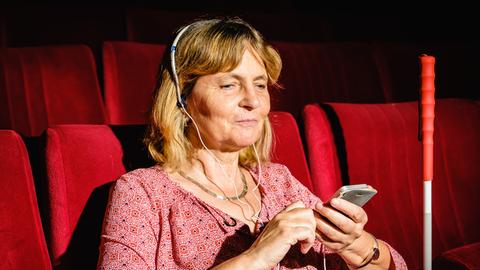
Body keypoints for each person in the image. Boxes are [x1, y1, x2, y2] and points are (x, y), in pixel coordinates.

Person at [97, 17, 407, 270]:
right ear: (182, 98)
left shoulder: (278, 181)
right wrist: (256, 258)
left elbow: (396, 267)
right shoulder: (143, 193)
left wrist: (354, 244)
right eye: (230, 84)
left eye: (260, 84)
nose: (253, 100)